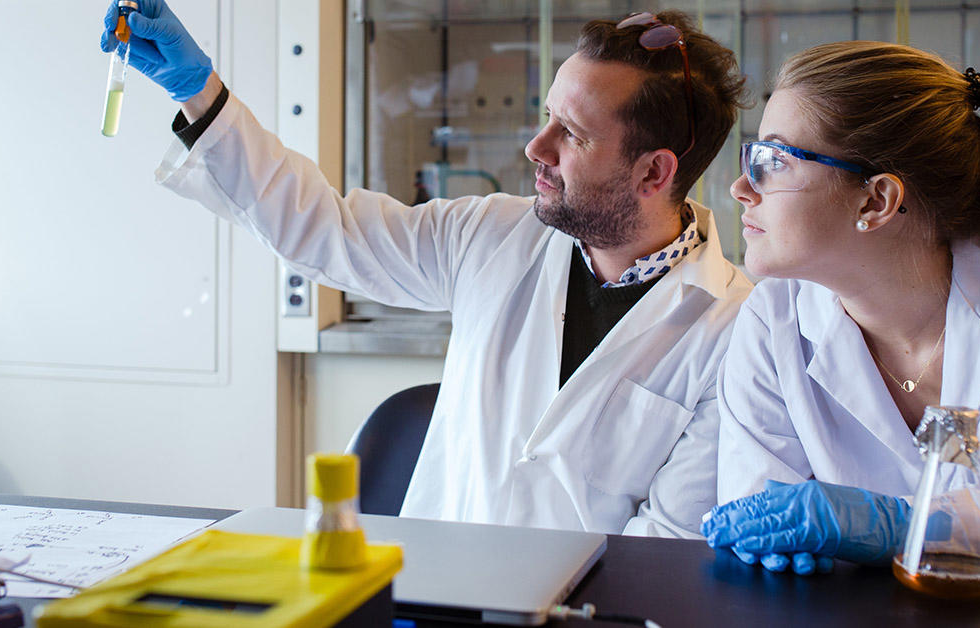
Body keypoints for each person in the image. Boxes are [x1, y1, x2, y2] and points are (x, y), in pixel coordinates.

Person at [101, 2, 752, 537]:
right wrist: (201, 95)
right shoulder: (493, 235)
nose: (537, 146)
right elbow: (324, 230)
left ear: (654, 172)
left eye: (572, 135)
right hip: (435, 598)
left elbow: (667, 546)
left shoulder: (732, 331)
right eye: (546, 115)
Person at [701, 41, 980, 574]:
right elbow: (756, 534)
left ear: (876, 201)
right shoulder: (771, 323)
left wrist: (918, 525)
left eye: (773, 161)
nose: (740, 187)